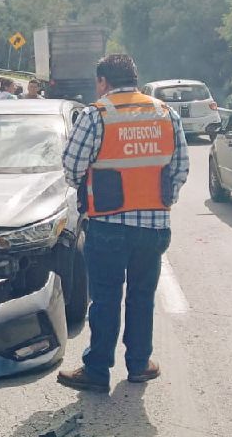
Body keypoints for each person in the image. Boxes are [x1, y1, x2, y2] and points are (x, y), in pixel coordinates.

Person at [56, 54, 189, 392]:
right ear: (136, 78)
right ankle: (140, 363)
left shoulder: (96, 115)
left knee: (105, 299)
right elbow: (180, 168)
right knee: (142, 297)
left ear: (103, 82)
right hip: (154, 226)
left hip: (108, 224)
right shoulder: (165, 113)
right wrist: (162, 200)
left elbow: (72, 169)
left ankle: (97, 370)